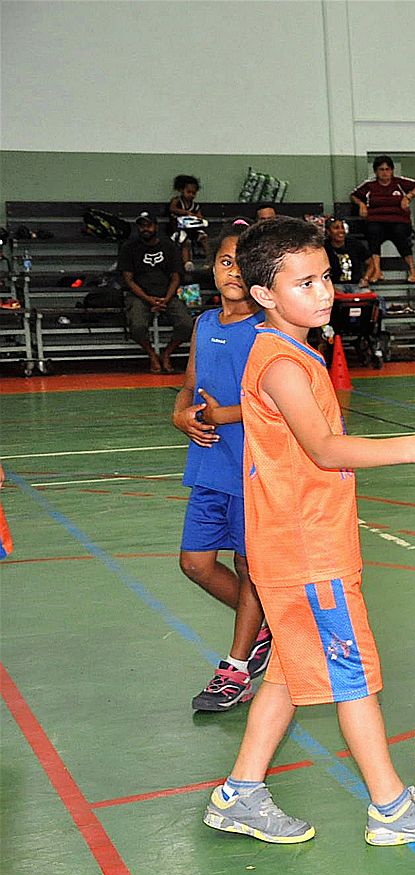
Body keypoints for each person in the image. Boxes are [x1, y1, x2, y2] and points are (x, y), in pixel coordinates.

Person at [201, 216, 415, 847]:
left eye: (326, 277)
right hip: (305, 550)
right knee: (352, 673)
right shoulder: (280, 364)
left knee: (290, 672)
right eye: (305, 283)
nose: (325, 292)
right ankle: (391, 807)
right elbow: (325, 449)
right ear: (265, 295)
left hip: (298, 543)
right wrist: (413, 448)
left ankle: (240, 792)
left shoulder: (296, 350)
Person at [172, 222, 273, 711]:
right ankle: (265, 625)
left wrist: (223, 415)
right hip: (210, 465)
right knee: (195, 563)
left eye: (242, 263)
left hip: (252, 469)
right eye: (225, 261)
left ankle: (235, 667)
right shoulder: (205, 323)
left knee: (249, 566)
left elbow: (280, 404)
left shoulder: (268, 330)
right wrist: (180, 413)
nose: (232, 271)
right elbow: (190, 385)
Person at [118, 210, 193, 374]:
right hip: (139, 296)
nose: (145, 229)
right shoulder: (129, 247)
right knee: (137, 326)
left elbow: (176, 276)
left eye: (148, 225)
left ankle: (167, 353)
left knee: (187, 324)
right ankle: (152, 354)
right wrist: (149, 299)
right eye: (142, 226)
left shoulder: (169, 247)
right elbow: (128, 279)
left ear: (156, 226)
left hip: (167, 295)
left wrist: (166, 298)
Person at [351, 155, 415, 283]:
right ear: (376, 171)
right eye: (381, 169)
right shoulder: (370, 186)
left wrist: (409, 196)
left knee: (400, 234)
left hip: (398, 221)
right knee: (373, 232)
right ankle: (377, 271)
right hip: (376, 221)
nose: (385, 172)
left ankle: (413, 271)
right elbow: (354, 195)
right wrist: (361, 204)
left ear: (392, 170)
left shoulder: (399, 183)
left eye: (387, 169)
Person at [167, 174, 208, 265]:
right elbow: (172, 208)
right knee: (186, 242)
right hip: (179, 228)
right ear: (182, 190)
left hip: (193, 229)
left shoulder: (195, 205)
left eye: (194, 193)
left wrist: (199, 218)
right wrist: (186, 212)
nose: (191, 195)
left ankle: (210, 260)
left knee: (204, 237)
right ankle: (187, 262)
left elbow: (199, 216)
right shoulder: (177, 200)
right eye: (188, 192)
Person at [324, 218, 374, 288]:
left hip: (356, 284)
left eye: (342, 228)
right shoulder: (324, 248)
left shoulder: (355, 244)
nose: (341, 231)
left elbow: (370, 263)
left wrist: (366, 278)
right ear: (328, 231)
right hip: (334, 285)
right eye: (336, 228)